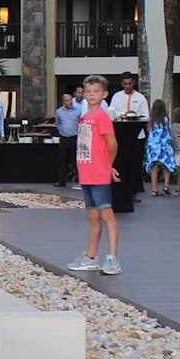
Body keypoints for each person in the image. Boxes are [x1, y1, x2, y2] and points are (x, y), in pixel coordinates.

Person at [69, 76, 120, 274]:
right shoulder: (85, 117)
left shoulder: (102, 117)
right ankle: (91, 256)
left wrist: (108, 165)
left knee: (107, 214)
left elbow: (112, 144)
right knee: (93, 216)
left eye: (96, 91)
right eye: (88, 91)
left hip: (98, 173)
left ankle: (113, 258)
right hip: (86, 173)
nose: (92, 95)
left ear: (104, 94)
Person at [145, 97, 177, 195]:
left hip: (153, 146)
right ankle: (166, 186)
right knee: (166, 166)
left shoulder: (151, 120)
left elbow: (149, 132)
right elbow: (167, 132)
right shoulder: (165, 119)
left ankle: (154, 189)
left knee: (154, 167)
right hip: (164, 145)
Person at [53, 90, 82, 186]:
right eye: (67, 100)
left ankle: (81, 181)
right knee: (62, 160)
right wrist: (61, 132)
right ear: (63, 102)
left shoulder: (78, 111)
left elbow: (81, 123)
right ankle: (61, 181)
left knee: (77, 161)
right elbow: (57, 124)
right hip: (64, 139)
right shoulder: (59, 111)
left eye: (70, 100)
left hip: (75, 138)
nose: (69, 102)